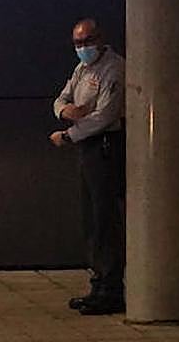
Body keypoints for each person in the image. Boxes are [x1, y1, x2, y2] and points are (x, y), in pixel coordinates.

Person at [50, 18, 126, 316]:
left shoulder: (114, 69)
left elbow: (104, 115)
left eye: (87, 41)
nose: (83, 48)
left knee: (104, 218)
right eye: (78, 43)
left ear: (101, 38)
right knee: (91, 220)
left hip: (105, 147)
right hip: (87, 148)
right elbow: (62, 99)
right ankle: (97, 284)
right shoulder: (82, 68)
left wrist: (69, 133)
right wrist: (66, 112)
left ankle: (111, 288)